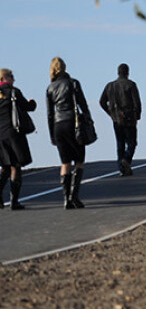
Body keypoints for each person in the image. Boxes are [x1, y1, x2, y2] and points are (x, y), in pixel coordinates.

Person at [46, 57, 91, 209]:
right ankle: (74, 196)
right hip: (74, 123)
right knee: (79, 160)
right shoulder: (73, 83)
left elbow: (49, 113)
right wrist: (89, 120)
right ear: (64, 67)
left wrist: (51, 134)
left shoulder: (50, 87)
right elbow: (82, 103)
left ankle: (66, 199)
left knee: (65, 162)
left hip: (58, 125)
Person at [0, 69, 37, 210]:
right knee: (16, 165)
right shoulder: (13, 92)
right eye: (12, 76)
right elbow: (28, 107)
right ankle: (14, 201)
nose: (14, 79)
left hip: (0, 135)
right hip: (13, 133)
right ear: (5, 78)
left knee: (5, 165)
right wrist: (32, 102)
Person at [100, 63, 142, 176]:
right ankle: (126, 160)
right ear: (127, 72)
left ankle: (122, 168)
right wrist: (137, 116)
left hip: (116, 118)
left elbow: (102, 101)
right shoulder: (131, 85)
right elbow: (137, 103)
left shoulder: (110, 86)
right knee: (132, 143)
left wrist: (111, 113)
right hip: (129, 117)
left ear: (118, 72)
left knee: (120, 143)